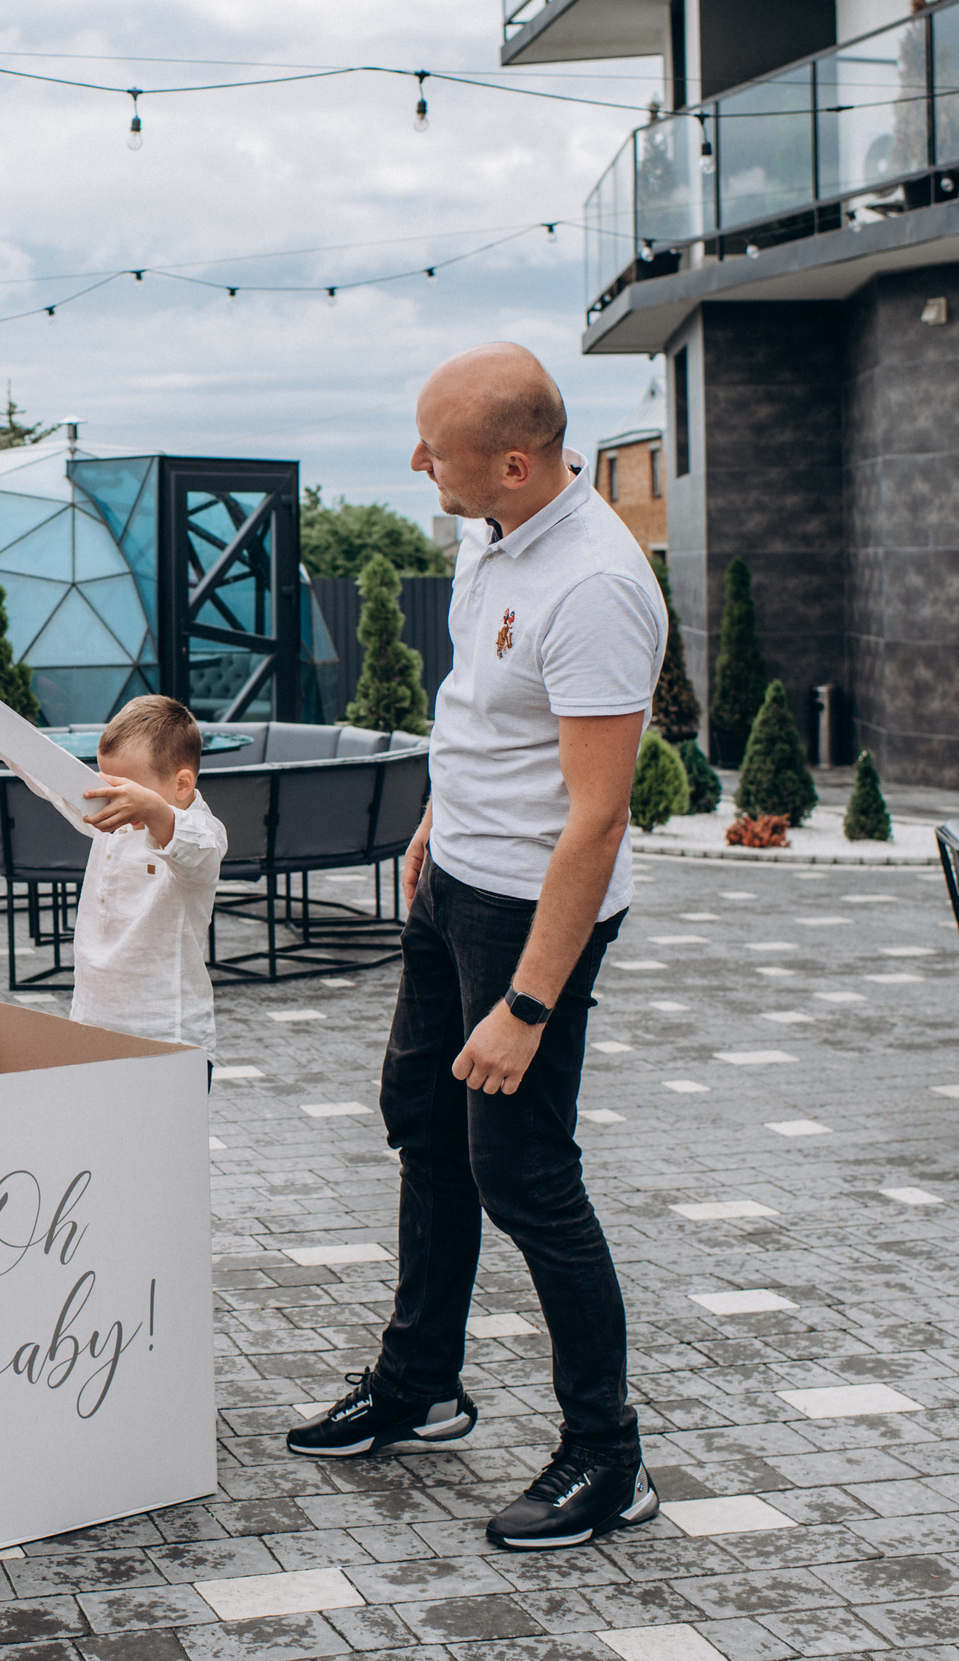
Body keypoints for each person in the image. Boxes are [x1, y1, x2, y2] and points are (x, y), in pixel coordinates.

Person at [285, 344, 666, 1553]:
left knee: (524, 1170)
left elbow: (596, 817)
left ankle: (607, 1459)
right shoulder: (488, 531)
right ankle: (421, 1386)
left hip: (530, 921)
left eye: (431, 450)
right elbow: (484, 712)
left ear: (510, 462)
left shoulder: (596, 587)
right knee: (422, 1127)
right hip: (454, 885)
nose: (414, 465)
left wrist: (529, 1006)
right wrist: (438, 823)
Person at [0, 678, 226, 1054]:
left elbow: (197, 850)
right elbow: (45, 772)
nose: (112, 799)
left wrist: (149, 807)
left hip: (167, 1035)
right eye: (107, 785)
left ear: (181, 785)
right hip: (89, 1023)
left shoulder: (202, 833)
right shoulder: (111, 820)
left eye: (128, 791)